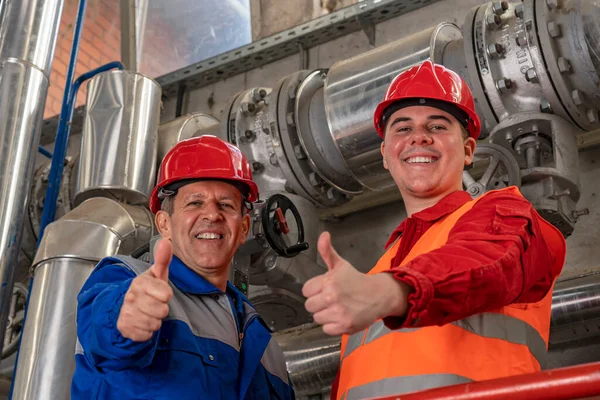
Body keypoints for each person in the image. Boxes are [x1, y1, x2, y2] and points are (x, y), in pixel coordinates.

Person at [302, 60, 566, 399]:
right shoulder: (379, 271)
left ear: (469, 150)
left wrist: (389, 293)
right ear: (386, 155)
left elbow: (485, 258)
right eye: (402, 128)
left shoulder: (505, 214)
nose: (419, 137)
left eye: (438, 126)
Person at [72, 135, 295, 400]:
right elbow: (105, 335)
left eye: (226, 204)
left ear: (244, 228)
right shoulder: (127, 279)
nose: (212, 215)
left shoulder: (267, 346)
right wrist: (126, 320)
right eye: (195, 203)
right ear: (165, 224)